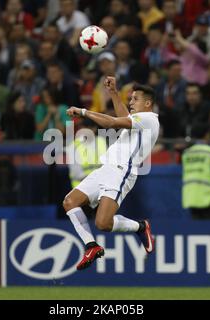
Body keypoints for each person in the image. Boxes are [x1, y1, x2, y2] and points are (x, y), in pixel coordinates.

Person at [64, 77, 158, 270]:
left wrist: (83, 111)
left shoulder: (149, 119)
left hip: (121, 172)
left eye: (135, 99)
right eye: (130, 98)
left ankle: (141, 227)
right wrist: (114, 92)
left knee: (103, 224)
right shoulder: (137, 122)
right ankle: (91, 246)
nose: (131, 102)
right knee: (69, 201)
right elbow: (122, 117)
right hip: (105, 169)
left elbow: (111, 123)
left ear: (147, 103)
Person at [182, 123, 210, 219]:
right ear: (206, 135)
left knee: (197, 231)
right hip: (209, 197)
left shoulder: (186, 153)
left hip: (192, 197)